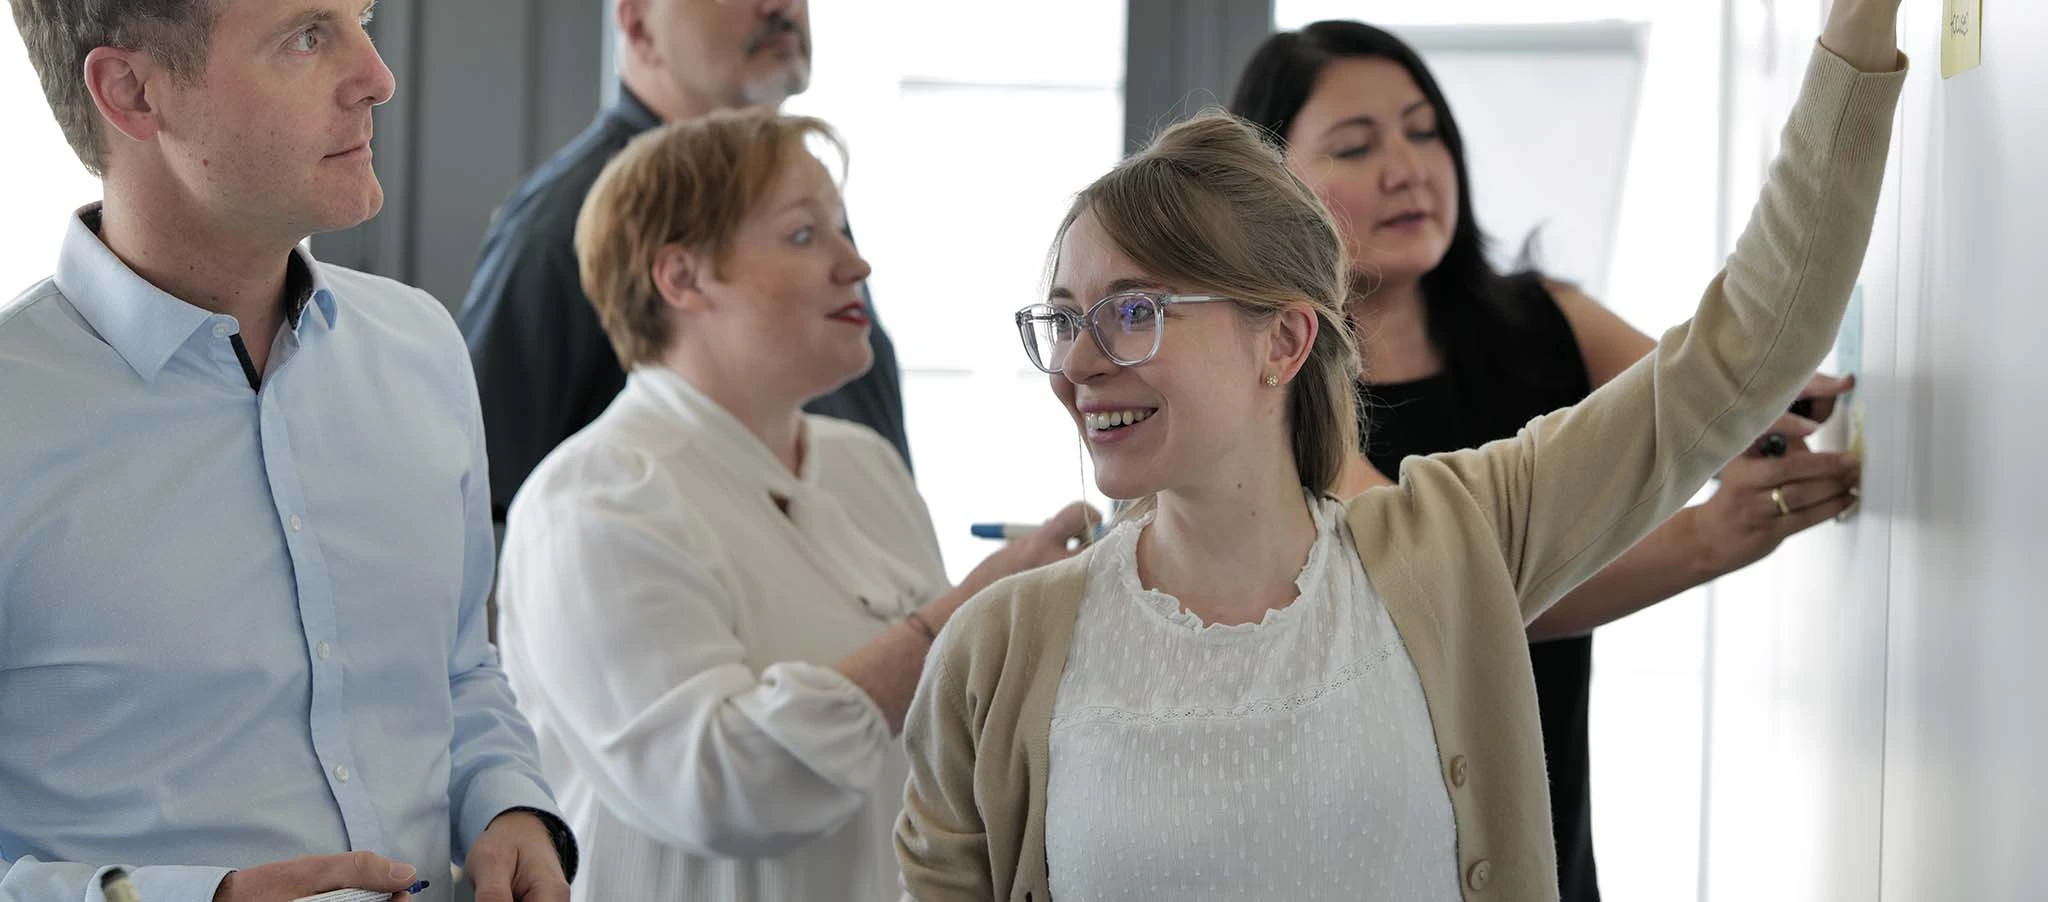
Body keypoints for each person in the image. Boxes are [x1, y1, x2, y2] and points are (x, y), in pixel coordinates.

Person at [893, 0, 1903, 897]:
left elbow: (1740, 350)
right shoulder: (997, 650)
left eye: (1134, 311)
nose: (1077, 362)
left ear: (1281, 339)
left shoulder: (1448, 540)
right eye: (1063, 318)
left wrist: (1857, 22)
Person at [1227, 20, 1862, 900]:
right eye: (1355, 145)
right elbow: (1439, 590)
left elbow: (1709, 406)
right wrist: (1709, 539)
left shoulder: (1547, 319)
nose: (1407, 168)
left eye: (1424, 130)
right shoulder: (1277, 382)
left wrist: (1787, 407)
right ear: (1269, 189)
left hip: (1544, 850)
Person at [0, 1, 576, 901]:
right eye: (307, 37)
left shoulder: (422, 349)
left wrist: (507, 806)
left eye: (360, 17)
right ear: (132, 91)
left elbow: (459, 671)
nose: (378, 77)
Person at [493, 111, 1091, 901]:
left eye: (842, 229)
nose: (857, 263)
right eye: (805, 235)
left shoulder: (864, 467)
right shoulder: (595, 496)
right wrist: (959, 620)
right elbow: (720, 784)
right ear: (683, 278)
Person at [458, 0, 910, 524]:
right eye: (802, 235)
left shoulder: (809, 200)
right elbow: (484, 509)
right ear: (637, 24)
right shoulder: (561, 229)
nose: (780, 5)